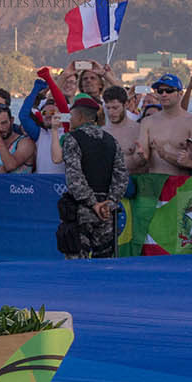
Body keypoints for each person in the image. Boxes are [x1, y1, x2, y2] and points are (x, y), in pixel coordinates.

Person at [58, 94, 128, 259]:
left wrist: (93, 204)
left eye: (72, 115)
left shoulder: (72, 139)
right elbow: (121, 177)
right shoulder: (111, 141)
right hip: (106, 213)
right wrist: (109, 204)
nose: (70, 119)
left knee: (76, 263)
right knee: (105, 264)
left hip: (82, 211)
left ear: (79, 116)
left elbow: (75, 178)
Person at [133, 73, 192, 177]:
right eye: (160, 91)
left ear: (180, 93)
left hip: (181, 186)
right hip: (155, 184)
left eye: (169, 91)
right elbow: (139, 159)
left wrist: (166, 155)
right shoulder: (147, 122)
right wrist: (140, 157)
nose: (164, 94)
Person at [100, 85, 142, 173]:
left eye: (115, 108)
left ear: (126, 104)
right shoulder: (101, 133)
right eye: (108, 108)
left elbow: (142, 162)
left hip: (133, 182)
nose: (111, 112)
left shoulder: (138, 130)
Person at [0, 104, 34, 173]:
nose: (1, 128)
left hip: (19, 184)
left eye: (4, 123)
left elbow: (10, 165)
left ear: (12, 120)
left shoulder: (25, 142)